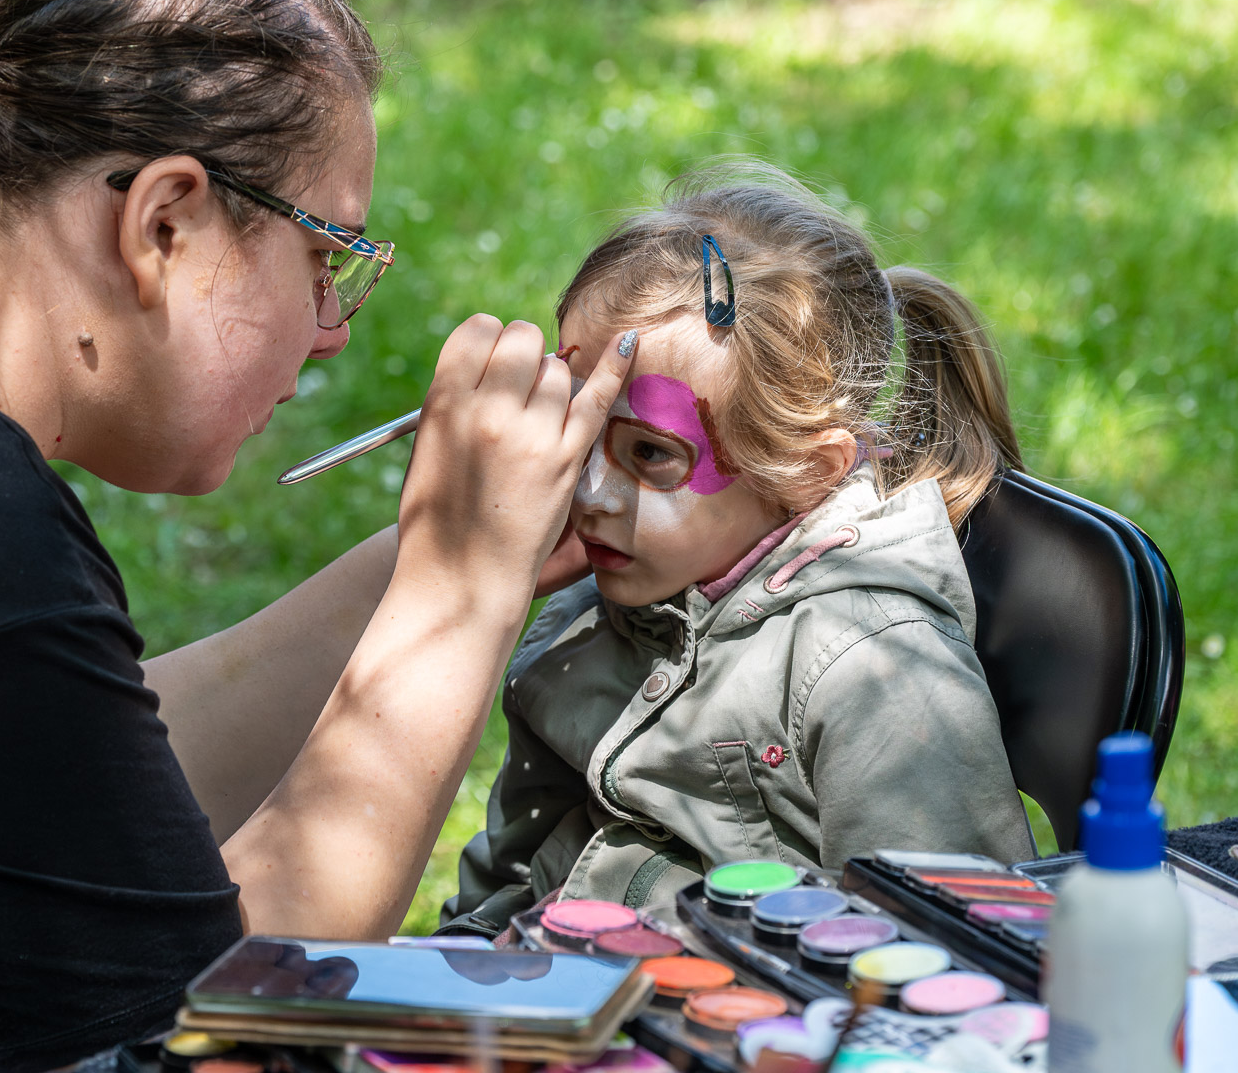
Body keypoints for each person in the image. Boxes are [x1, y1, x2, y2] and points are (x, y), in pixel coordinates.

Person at [0, 0, 635, 1069]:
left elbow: (69, 792)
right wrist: (458, 596)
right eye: (325, 258)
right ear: (164, 222)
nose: (332, 331)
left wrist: (431, 556)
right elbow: (208, 1037)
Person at [443, 164, 1036, 937]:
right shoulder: (590, 607)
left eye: (649, 454)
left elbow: (946, 939)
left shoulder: (874, 673)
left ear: (805, 472)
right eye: (580, 429)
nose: (590, 492)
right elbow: (510, 875)